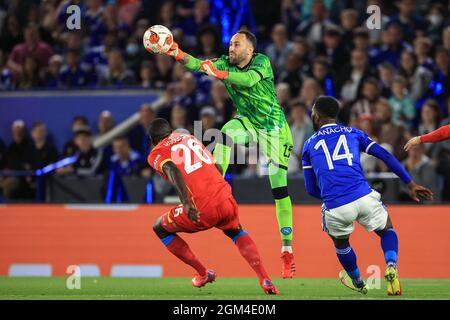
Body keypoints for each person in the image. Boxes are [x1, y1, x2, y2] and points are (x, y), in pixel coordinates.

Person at [155, 29, 296, 278]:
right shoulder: (223, 61)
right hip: (247, 122)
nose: (231, 48)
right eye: (231, 44)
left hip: (275, 129)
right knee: (225, 133)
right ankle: (215, 186)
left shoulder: (262, 62)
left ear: (249, 50)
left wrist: (219, 73)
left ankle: (287, 249)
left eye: (237, 44)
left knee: (279, 187)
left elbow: (248, 80)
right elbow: (197, 64)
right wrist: (175, 51)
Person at [301, 96, 433, 295]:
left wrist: (334, 194)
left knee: (341, 242)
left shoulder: (308, 145)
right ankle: (391, 266)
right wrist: (410, 183)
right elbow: (385, 155)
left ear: (316, 117)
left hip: (336, 206)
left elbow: (310, 188)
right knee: (386, 228)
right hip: (363, 196)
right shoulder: (354, 133)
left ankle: (358, 282)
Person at [148, 118, 279, 294]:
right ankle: (265, 280)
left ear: (152, 140)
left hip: (201, 207)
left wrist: (186, 203)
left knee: (159, 227)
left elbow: (172, 169)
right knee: (236, 231)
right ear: (170, 131)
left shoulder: (156, 153)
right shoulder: (189, 138)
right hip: (225, 196)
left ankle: (203, 273)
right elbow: (215, 166)